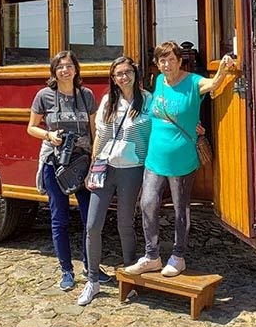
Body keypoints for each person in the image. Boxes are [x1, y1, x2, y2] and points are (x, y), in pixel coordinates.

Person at [125, 41, 236, 278]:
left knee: (180, 209)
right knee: (147, 203)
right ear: (157, 64)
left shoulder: (193, 82)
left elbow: (215, 84)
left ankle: (178, 256)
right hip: (154, 157)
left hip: (182, 159)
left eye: (171, 59)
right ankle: (152, 256)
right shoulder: (158, 82)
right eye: (162, 60)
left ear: (179, 61)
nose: (167, 64)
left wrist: (224, 69)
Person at [27, 50, 110, 291]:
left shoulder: (86, 96)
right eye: (60, 66)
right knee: (59, 218)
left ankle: (90, 267)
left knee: (90, 219)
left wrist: (95, 160)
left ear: (76, 69)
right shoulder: (44, 96)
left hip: (83, 164)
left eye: (69, 66)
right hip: (54, 164)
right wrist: (49, 135)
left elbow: (95, 130)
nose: (65, 70)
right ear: (54, 71)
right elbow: (31, 128)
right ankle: (66, 270)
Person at [77, 56, 152, 306]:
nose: (123, 77)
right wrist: (91, 168)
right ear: (113, 78)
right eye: (118, 73)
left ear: (135, 73)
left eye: (127, 72)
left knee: (125, 225)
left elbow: (157, 135)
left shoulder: (148, 100)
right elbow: (99, 135)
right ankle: (93, 281)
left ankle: (129, 278)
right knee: (92, 225)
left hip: (132, 170)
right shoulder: (109, 101)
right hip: (104, 169)